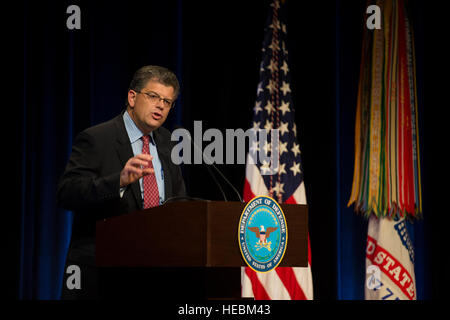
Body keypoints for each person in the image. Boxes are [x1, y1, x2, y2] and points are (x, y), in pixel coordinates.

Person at [57, 65, 186, 299]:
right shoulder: (97, 138)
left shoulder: (168, 142)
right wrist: (119, 181)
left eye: (167, 102)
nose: (160, 105)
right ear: (132, 97)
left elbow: (178, 201)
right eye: (154, 96)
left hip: (153, 273)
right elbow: (67, 193)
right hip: (103, 274)